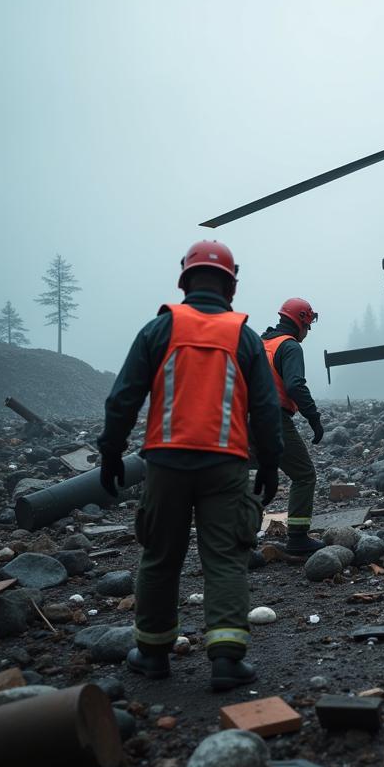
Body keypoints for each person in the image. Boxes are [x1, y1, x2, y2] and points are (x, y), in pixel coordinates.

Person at [97, 240, 283, 691]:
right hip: (225, 466)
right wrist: (271, 463)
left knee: (160, 558)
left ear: (185, 280)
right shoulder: (243, 336)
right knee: (224, 559)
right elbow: (265, 407)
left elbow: (124, 398)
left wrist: (109, 452)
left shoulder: (159, 329)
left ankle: (153, 655)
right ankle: (225, 660)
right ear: (230, 285)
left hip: (165, 463)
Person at [260, 298, 326, 556]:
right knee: (304, 475)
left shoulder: (259, 343)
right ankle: (297, 539)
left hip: (243, 418)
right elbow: (295, 385)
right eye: (307, 326)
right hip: (272, 419)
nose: (307, 332)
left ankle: (238, 544)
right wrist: (313, 417)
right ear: (301, 321)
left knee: (252, 477)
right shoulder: (289, 347)